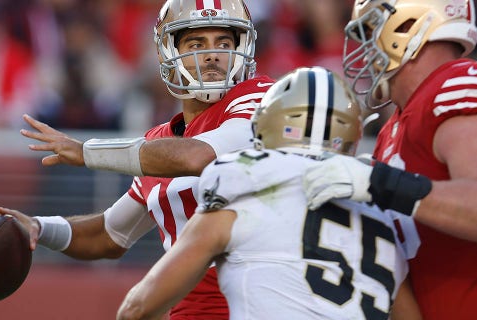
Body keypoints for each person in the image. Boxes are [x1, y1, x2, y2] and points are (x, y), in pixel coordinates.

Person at [0, 0, 275, 319]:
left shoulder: (260, 99)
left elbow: (200, 155)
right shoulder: (159, 144)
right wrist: (37, 227)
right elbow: (110, 234)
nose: (213, 54)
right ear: (168, 52)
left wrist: (87, 152)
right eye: (197, 43)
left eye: (224, 42)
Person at [116, 67, 423, 320]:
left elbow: (136, 308)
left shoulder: (241, 193)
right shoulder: (380, 219)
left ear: (266, 126)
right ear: (351, 136)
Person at [302, 0, 477, 319]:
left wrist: (376, 181)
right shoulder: (395, 125)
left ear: (408, 27)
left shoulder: (457, 83)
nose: (363, 47)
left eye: (372, 30)